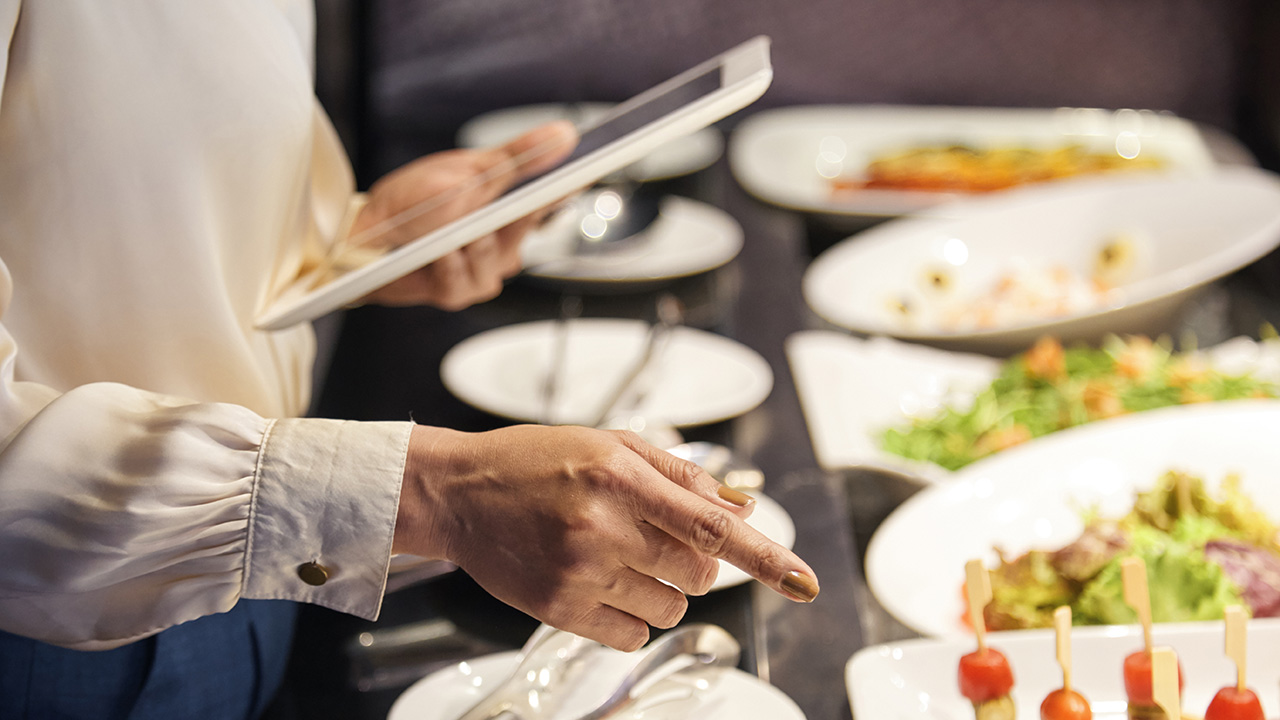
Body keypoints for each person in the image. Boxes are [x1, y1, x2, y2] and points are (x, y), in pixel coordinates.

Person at [0, 3, 818, 718]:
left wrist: (357, 245)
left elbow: (108, 204)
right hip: (51, 631)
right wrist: (432, 491)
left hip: (247, 574)